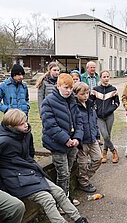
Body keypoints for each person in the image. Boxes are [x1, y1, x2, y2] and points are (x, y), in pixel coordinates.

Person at [0, 109, 88, 223]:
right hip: (16, 180)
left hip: (30, 173)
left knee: (59, 192)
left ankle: (78, 219)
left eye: (25, 121)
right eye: (21, 124)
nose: (26, 125)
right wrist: (0, 182)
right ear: (11, 126)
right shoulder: (1, 142)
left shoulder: (26, 134)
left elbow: (30, 154)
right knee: (47, 199)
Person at [41, 73, 83, 206]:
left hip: (72, 143)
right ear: (58, 86)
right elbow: (49, 125)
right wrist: (65, 139)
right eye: (66, 87)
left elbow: (79, 121)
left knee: (68, 172)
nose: (69, 90)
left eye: (71, 88)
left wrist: (77, 137)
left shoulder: (72, 100)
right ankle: (61, 203)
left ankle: (66, 198)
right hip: (57, 143)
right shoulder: (48, 101)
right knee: (63, 174)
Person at [74, 82, 102, 193]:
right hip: (82, 140)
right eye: (82, 94)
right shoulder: (74, 107)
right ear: (76, 94)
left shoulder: (91, 105)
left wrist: (97, 135)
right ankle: (84, 183)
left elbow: (95, 122)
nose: (86, 96)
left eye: (87, 93)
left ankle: (83, 178)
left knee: (98, 159)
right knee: (83, 163)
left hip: (93, 138)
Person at [91, 71, 120, 163]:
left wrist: (110, 109)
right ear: (100, 78)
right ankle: (114, 151)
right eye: (104, 77)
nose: (106, 78)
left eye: (108, 76)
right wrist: (95, 110)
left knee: (108, 135)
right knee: (105, 135)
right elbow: (91, 102)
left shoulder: (113, 89)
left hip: (109, 116)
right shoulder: (95, 89)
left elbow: (117, 103)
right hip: (99, 117)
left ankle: (104, 153)